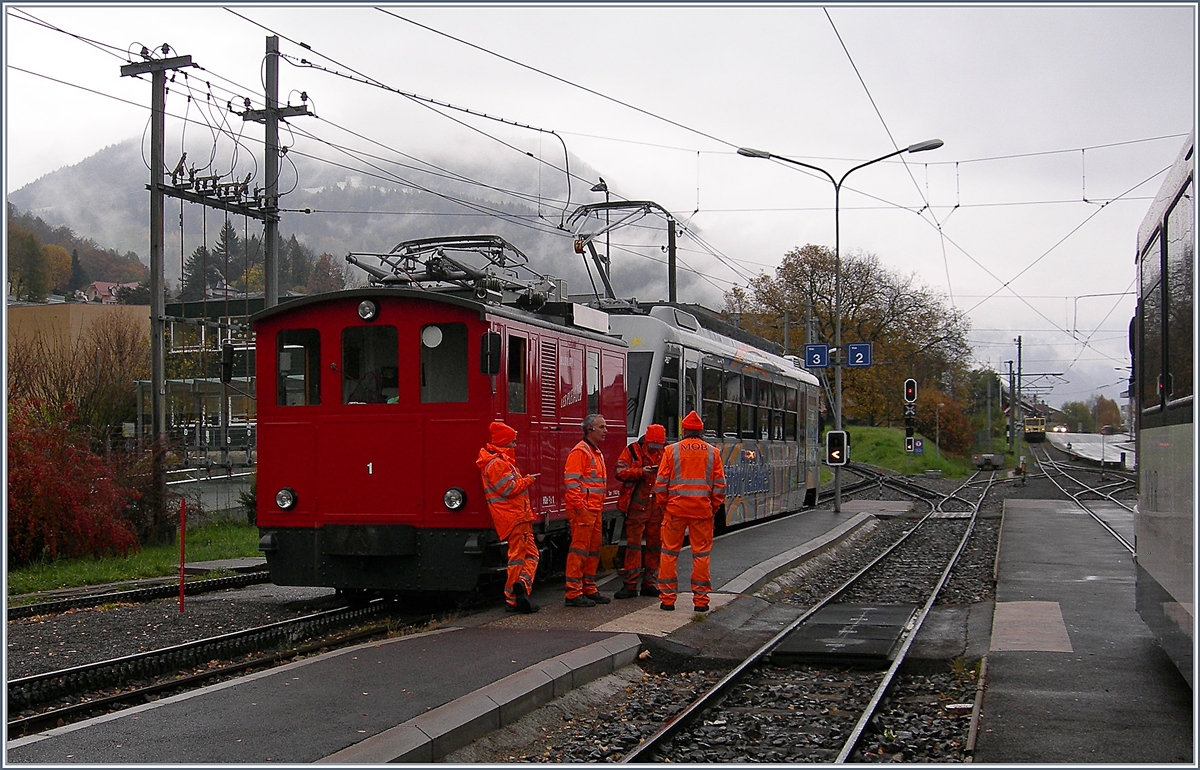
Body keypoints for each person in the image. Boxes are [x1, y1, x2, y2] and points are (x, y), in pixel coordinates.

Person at [655, 411, 726, 613]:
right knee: (701, 555)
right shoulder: (713, 453)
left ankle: (667, 599)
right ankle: (701, 601)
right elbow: (720, 486)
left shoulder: (671, 451)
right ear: (701, 431)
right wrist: (712, 506)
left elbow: (661, 484)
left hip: (675, 510)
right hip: (702, 512)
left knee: (669, 553)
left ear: (683, 430)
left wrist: (664, 505)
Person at [477, 421, 540, 614]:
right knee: (519, 558)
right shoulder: (496, 464)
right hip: (514, 518)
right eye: (512, 442)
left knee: (530, 555)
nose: (515, 445)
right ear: (504, 442)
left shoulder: (499, 462)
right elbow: (509, 489)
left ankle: (520, 585)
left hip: (518, 517)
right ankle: (513, 596)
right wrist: (528, 480)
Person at [562, 413, 612, 607]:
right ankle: (573, 592)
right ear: (590, 429)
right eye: (602, 427)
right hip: (584, 510)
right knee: (580, 550)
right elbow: (572, 483)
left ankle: (588, 587)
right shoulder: (581, 452)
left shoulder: (594, 451)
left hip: (593, 509)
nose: (606, 430)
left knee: (592, 550)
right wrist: (581, 508)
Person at [613, 424, 666, 599]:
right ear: (647, 441)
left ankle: (649, 583)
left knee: (654, 546)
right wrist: (640, 472)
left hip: (656, 507)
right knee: (633, 546)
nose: (655, 449)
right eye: (653, 446)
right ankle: (630, 584)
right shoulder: (632, 451)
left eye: (658, 446)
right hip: (637, 506)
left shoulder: (664, 453)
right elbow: (619, 472)